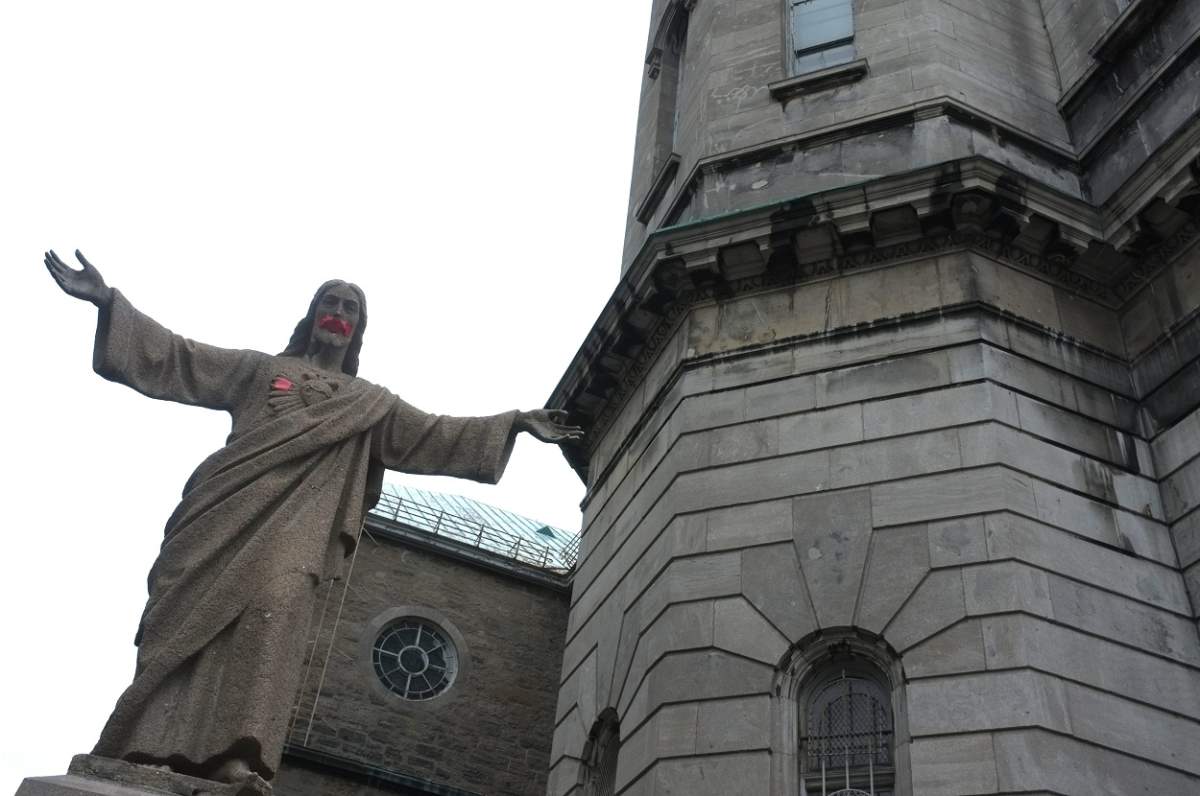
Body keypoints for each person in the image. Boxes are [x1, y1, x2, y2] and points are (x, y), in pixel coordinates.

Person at [43, 249, 582, 784]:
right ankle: (147, 743)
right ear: (312, 313)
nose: (339, 312)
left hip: (300, 524)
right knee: (187, 619)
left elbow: (433, 432)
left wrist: (512, 423)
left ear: (358, 328)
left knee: (270, 614)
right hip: (223, 510)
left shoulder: (370, 404)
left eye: (350, 307)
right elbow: (182, 358)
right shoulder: (261, 370)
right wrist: (109, 303)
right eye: (331, 301)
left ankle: (235, 753)